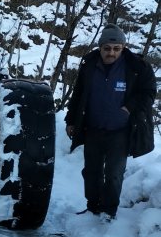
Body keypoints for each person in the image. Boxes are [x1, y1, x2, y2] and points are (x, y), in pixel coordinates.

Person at [65, 22, 156, 220]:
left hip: (121, 130)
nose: (111, 53)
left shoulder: (137, 67)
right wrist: (71, 120)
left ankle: (108, 212)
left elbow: (149, 93)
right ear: (100, 47)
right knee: (91, 171)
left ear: (123, 48)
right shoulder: (89, 65)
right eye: (107, 48)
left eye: (117, 49)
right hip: (93, 128)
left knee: (114, 173)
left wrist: (129, 107)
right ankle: (93, 207)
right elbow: (78, 94)